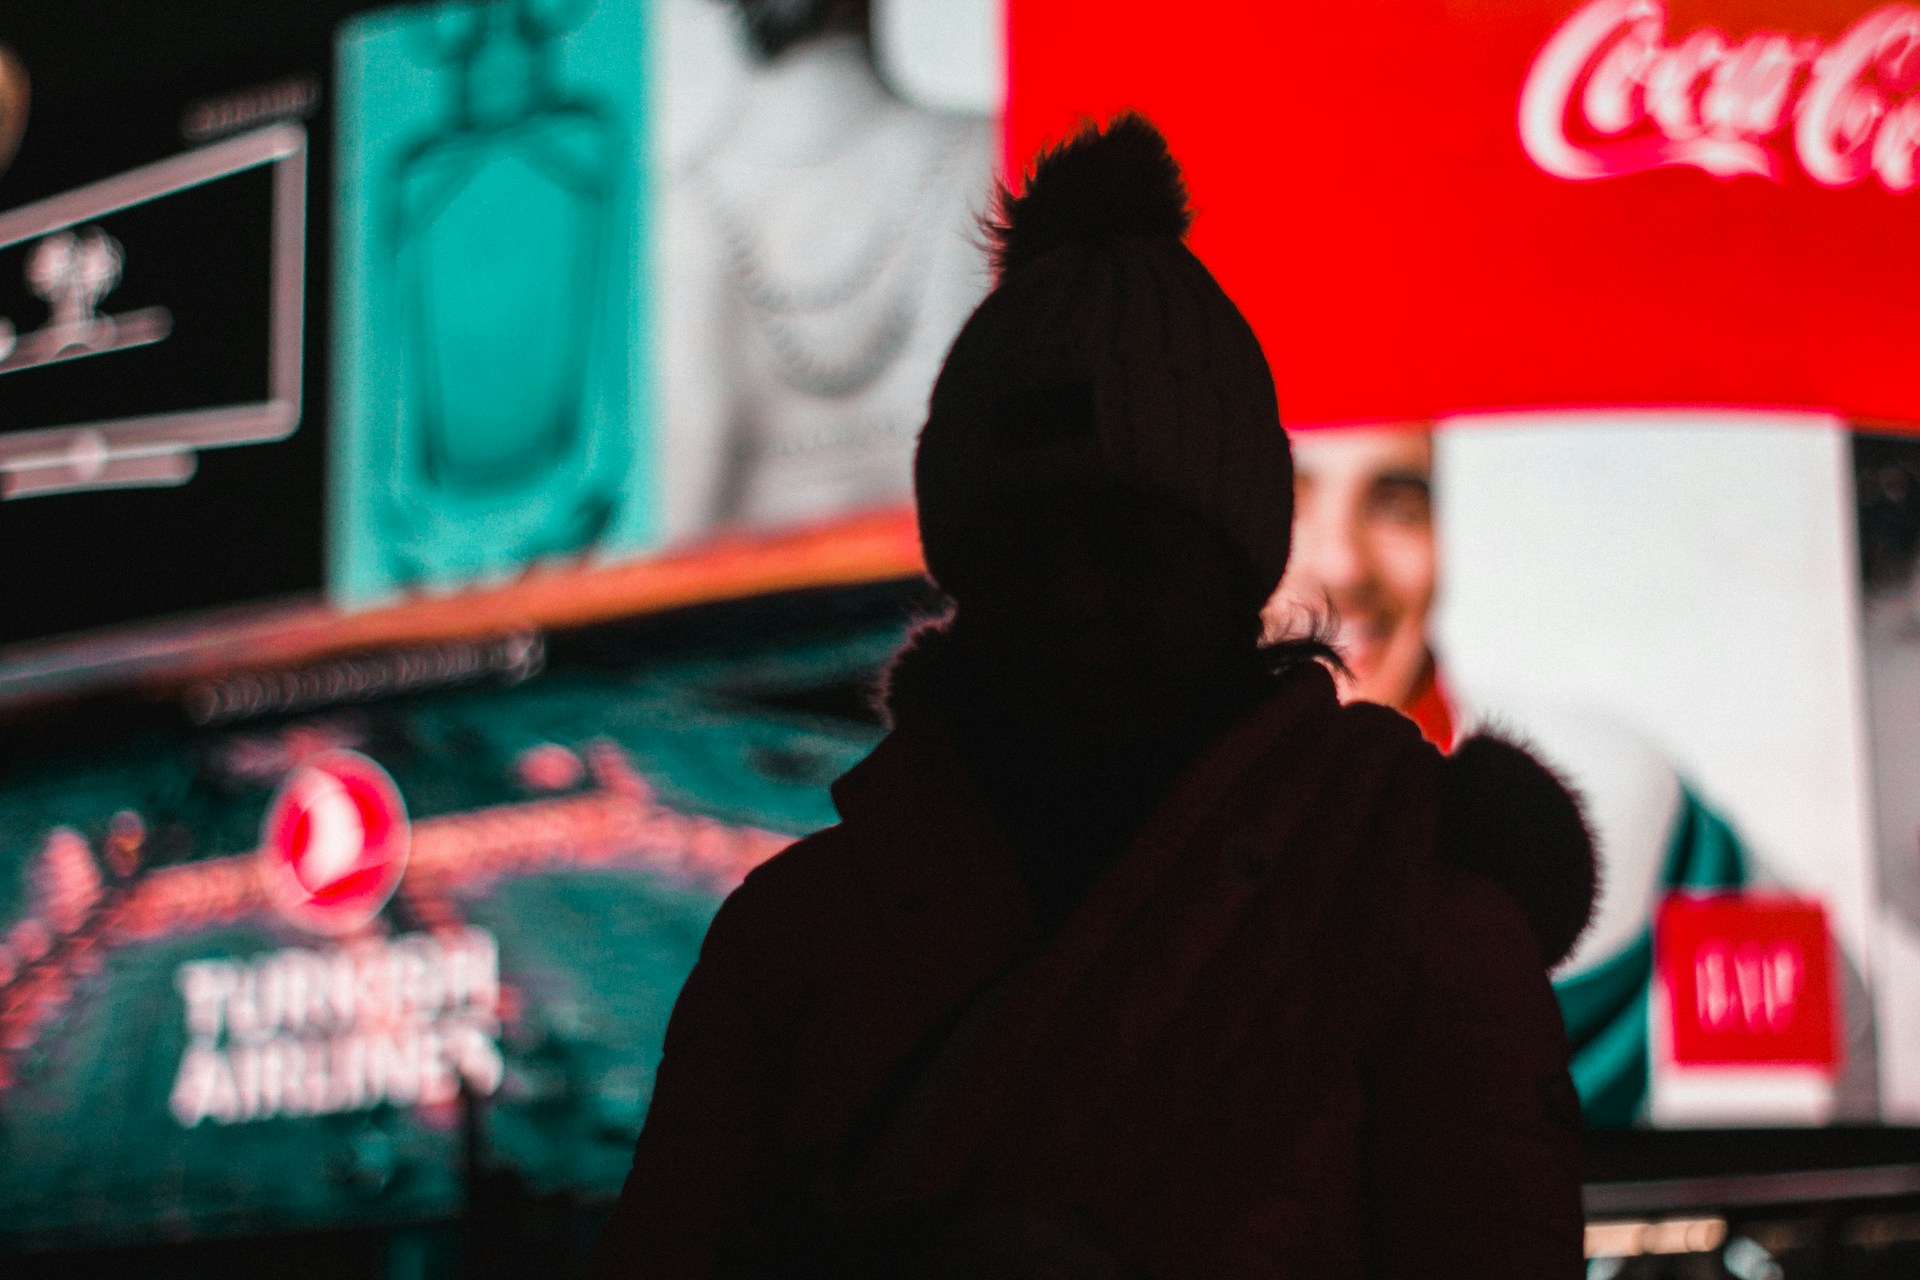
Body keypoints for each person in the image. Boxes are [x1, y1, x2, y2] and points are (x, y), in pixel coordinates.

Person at [589, 115, 1593, 1279]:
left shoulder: (1421, 911)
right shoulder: (788, 936)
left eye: (1125, 545)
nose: (1071, 594)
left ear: (1236, 568)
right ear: (960, 570)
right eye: (1022, 543)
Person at [659, 0, 994, 540]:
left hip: (757, 614)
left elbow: (681, 514)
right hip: (969, 603)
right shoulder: (989, 157)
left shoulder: (677, 216)